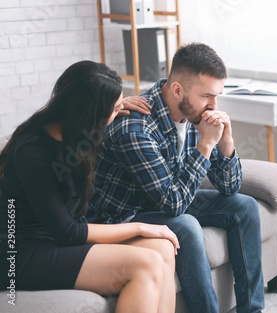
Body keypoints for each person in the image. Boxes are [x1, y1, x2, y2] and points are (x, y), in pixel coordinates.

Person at [86, 43, 265, 313]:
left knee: (245, 207)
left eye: (217, 96)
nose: (214, 106)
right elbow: (174, 205)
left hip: (164, 199)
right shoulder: (136, 128)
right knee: (186, 224)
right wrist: (205, 146)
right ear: (178, 90)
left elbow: (230, 187)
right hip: (123, 215)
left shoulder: (195, 115)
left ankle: (253, 310)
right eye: (207, 96)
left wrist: (226, 143)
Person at [0, 61, 179, 313]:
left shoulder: (77, 132)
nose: (121, 110)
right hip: (22, 255)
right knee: (145, 263)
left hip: (55, 242)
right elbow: (67, 232)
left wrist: (113, 107)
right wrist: (139, 226)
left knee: (162, 248)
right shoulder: (33, 151)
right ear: (90, 112)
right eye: (115, 108)